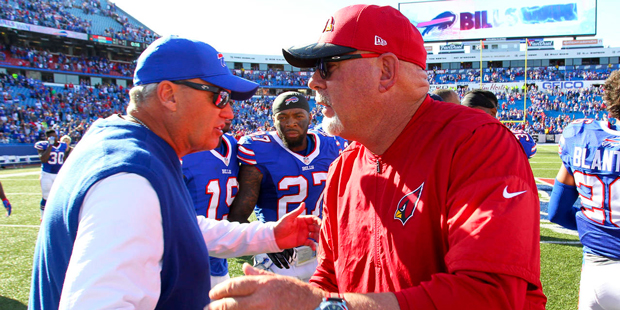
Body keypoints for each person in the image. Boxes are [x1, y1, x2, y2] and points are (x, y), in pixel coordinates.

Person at [208, 5, 546, 310]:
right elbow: (329, 277)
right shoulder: (345, 167)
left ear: (385, 71)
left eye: (326, 66)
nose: (312, 81)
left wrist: (321, 307)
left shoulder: (476, 143)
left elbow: (489, 296)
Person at [29, 35, 321, 310]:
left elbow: (171, 227)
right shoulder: (130, 178)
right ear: (168, 95)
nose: (230, 112)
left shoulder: (128, 142)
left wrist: (268, 234)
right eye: (219, 97)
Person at [228, 91, 346, 282]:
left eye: (298, 116)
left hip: (322, 247)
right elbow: (238, 215)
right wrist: (265, 242)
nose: (290, 122)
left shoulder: (331, 145)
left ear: (310, 117)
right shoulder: (259, 149)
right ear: (273, 120)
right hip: (277, 255)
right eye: (282, 117)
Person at [548, 70, 620, 310]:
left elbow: (556, 212)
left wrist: (595, 227)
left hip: (597, 272)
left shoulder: (580, 136)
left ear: (608, 104)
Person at [181, 116, 239, 288]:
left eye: (229, 101)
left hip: (219, 259)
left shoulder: (235, 146)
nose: (229, 112)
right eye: (218, 102)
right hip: (186, 263)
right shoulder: (183, 150)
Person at [461, 89, 537, 158]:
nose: (468, 119)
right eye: (464, 114)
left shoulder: (512, 140)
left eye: (473, 114)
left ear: (492, 112)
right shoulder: (457, 137)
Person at [34, 130, 72, 219]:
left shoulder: (63, 145)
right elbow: (43, 159)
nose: (54, 138)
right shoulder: (43, 145)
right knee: (46, 196)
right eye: (51, 137)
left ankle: (59, 216)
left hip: (59, 174)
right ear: (47, 138)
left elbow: (65, 159)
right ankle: (43, 217)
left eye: (55, 136)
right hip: (47, 174)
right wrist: (50, 146)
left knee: (61, 196)